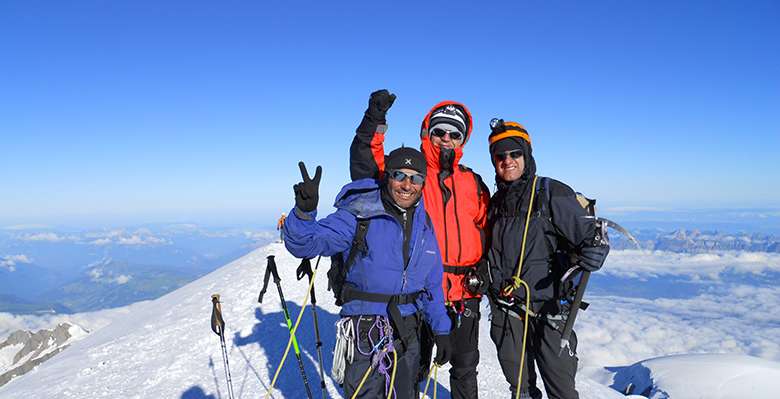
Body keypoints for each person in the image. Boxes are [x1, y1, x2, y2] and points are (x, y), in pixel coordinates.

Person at [350, 90, 489, 399]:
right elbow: (367, 166)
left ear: (462, 140)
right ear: (428, 133)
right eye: (439, 131)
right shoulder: (412, 178)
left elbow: (487, 230)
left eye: (454, 133)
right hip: (420, 293)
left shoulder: (473, 182)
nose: (446, 138)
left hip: (466, 292)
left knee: (465, 368)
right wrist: (374, 120)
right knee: (412, 369)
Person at [283, 147, 453, 399]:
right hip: (366, 333)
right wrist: (303, 213)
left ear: (423, 183)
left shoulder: (424, 224)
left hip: (409, 330)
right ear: (388, 177)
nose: (407, 185)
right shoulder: (358, 215)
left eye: (415, 178)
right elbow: (306, 244)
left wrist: (442, 329)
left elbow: (432, 284)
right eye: (400, 175)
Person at [484, 119, 610, 399]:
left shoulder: (550, 193)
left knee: (561, 389)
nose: (508, 161)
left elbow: (591, 237)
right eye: (500, 156)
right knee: (521, 388)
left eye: (515, 153)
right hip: (507, 309)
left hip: (550, 310)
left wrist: (596, 253)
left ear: (526, 155)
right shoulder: (494, 205)